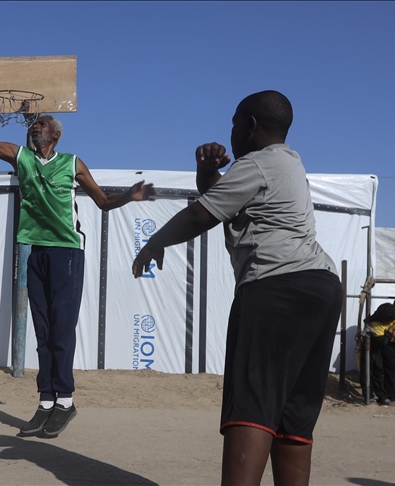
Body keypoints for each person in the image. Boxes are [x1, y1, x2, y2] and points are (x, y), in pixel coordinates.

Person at [0, 82, 156, 439]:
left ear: (55, 134)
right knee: (43, 331)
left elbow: (102, 202)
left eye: (41, 124)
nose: (34, 126)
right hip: (35, 251)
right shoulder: (20, 158)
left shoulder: (72, 163)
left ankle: (66, 402)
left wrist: (129, 196)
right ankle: (46, 402)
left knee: (61, 329)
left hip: (67, 251)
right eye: (33, 125)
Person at [131, 90, 342, 485]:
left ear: (250, 126)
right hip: (322, 288)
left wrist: (155, 241)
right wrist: (207, 171)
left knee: (254, 406)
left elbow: (201, 214)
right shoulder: (288, 163)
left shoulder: (257, 164)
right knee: (292, 416)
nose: (229, 131)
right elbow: (222, 198)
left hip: (277, 288)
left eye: (233, 122)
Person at [366, 303, 395, 406]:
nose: (392, 322)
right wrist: (391, 330)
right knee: (381, 375)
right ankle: (385, 397)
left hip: (393, 349)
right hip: (376, 352)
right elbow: (381, 341)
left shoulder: (391, 317)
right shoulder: (374, 324)